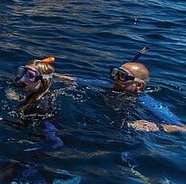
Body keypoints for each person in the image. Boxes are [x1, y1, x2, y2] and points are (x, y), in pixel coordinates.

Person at [57, 55, 186, 134]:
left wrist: (157, 127)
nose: (116, 79)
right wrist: (45, 74)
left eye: (122, 76)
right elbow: (74, 80)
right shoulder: (106, 85)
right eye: (116, 73)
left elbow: (182, 128)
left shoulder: (146, 102)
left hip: (122, 129)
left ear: (139, 85)